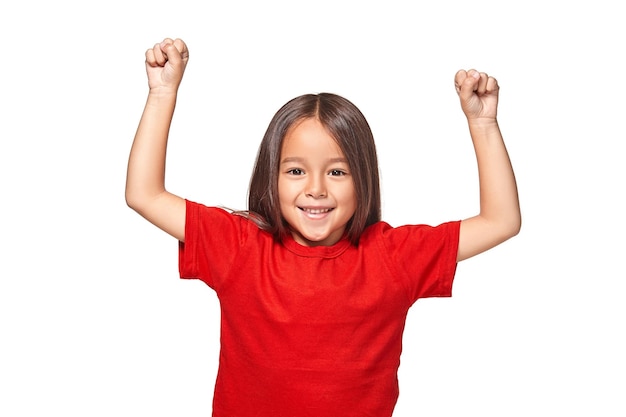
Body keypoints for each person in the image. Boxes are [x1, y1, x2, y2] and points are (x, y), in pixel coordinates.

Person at [125, 37, 521, 417]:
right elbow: (143, 194)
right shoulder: (240, 246)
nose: (315, 189)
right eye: (296, 170)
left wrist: (483, 124)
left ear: (362, 178)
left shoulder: (392, 256)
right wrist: (162, 95)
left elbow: (500, 221)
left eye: (336, 171)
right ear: (272, 177)